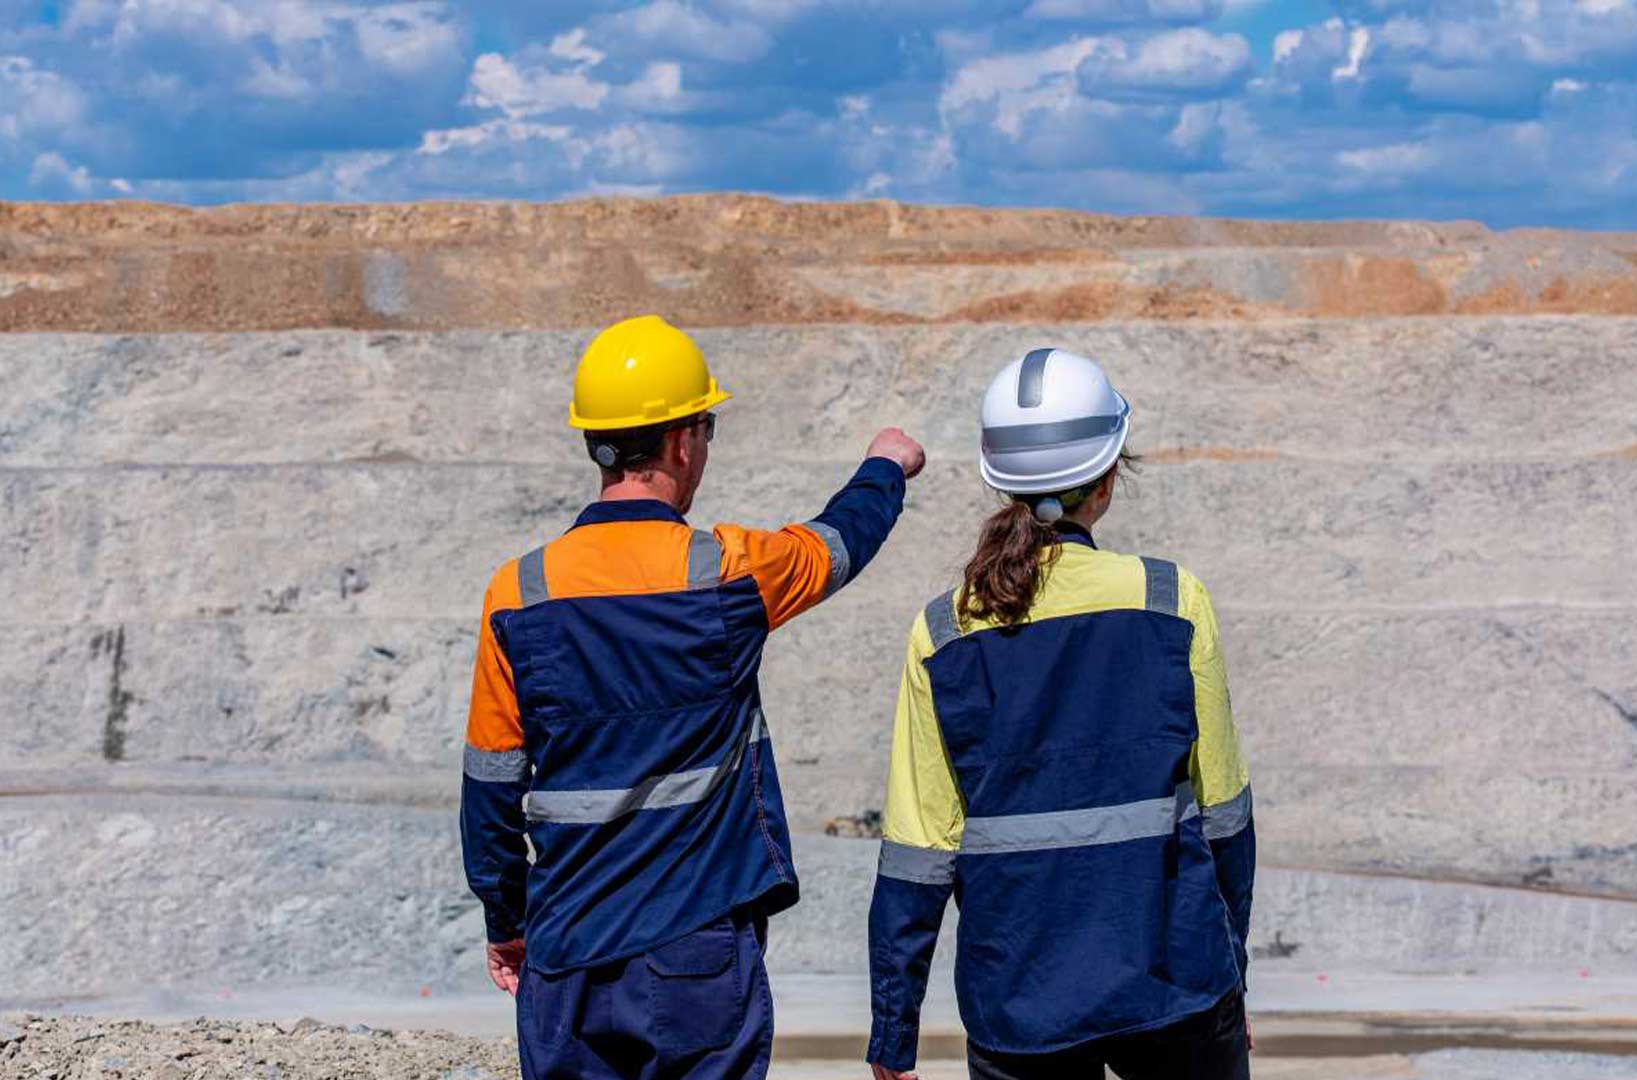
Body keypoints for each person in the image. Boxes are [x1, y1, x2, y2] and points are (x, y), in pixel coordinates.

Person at [459, 315, 925, 1080]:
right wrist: (885, 466)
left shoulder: (517, 592)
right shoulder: (726, 573)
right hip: (695, 950)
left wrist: (506, 918)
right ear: (682, 442)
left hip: (566, 955)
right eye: (706, 429)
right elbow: (838, 544)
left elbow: (490, 786)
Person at [865, 348, 1256, 1080]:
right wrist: (1231, 971)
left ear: (998, 480)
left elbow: (919, 847)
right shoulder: (1172, 601)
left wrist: (894, 1026)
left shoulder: (945, 631)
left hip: (1020, 1001)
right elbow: (1225, 814)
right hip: (1175, 987)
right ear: (1107, 480)